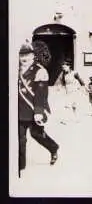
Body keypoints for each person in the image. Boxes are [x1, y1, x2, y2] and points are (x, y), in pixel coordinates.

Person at [18, 42, 59, 177]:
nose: (24, 58)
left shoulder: (39, 71)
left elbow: (41, 93)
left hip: (34, 110)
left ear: (33, 55)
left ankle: (53, 148)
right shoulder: (15, 69)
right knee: (20, 139)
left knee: (37, 135)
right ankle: (20, 167)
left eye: (27, 55)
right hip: (19, 111)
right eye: (21, 55)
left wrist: (39, 112)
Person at [54, 59, 87, 124]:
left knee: (74, 106)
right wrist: (59, 88)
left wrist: (85, 88)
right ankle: (65, 120)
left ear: (69, 66)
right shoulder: (63, 74)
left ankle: (77, 119)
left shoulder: (74, 73)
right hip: (68, 92)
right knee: (67, 106)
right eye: (63, 67)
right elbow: (63, 83)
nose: (64, 69)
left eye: (65, 67)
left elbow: (81, 81)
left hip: (75, 91)